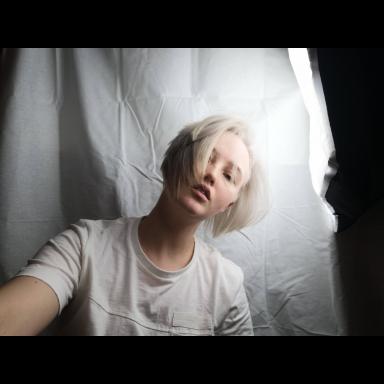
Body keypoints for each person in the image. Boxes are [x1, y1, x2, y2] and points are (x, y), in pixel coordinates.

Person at [0, 115, 268, 336]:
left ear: (229, 204)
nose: (211, 174)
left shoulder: (227, 284)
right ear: (178, 157)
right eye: (208, 156)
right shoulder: (84, 245)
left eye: (228, 175)